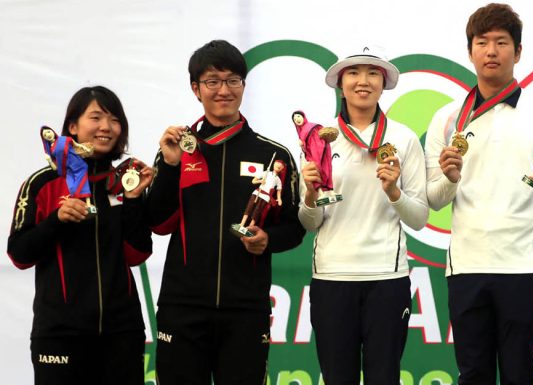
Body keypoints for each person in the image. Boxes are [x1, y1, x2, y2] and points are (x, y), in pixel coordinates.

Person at [424, 4, 533, 383]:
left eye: (501, 42)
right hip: (466, 267)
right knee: (473, 374)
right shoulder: (446, 117)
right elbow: (435, 199)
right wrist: (449, 177)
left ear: (518, 51)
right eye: (482, 42)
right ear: (470, 51)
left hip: (521, 266)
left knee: (518, 374)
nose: (491, 51)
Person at [146, 40, 305, 385]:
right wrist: (172, 167)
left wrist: (267, 240)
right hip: (183, 307)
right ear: (195, 89)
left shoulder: (273, 155)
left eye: (233, 80)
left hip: (245, 310)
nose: (223, 90)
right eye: (212, 81)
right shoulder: (177, 149)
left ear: (244, 86)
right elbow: (157, 223)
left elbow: (294, 228)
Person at [298, 45, 428, 385]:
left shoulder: (403, 138)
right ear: (340, 84)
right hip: (332, 277)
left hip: (387, 277)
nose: (363, 81)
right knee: (337, 378)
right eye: (353, 73)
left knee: (383, 378)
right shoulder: (319, 140)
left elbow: (419, 218)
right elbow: (309, 222)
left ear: (383, 84)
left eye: (373, 73)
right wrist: (310, 196)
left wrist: (394, 193)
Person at [8, 86, 154, 385]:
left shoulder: (123, 181)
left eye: (114, 119)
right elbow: (19, 255)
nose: (106, 127)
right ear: (73, 126)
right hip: (61, 335)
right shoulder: (43, 183)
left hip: (121, 332)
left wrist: (136, 199)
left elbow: (137, 254)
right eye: (96, 117)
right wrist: (56, 220)